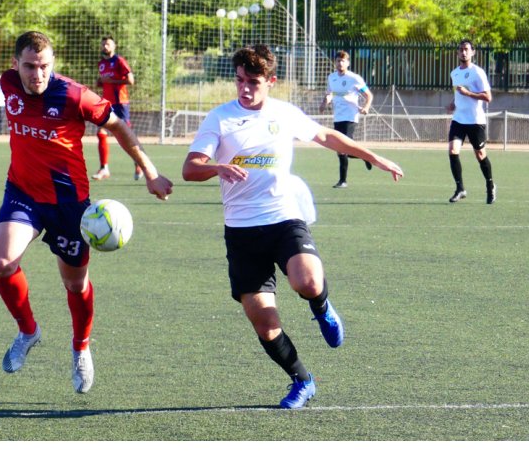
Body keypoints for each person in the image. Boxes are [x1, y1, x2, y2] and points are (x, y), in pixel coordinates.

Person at [182, 45, 403, 409]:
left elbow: (329, 137)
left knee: (308, 281)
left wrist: (373, 156)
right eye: (239, 81)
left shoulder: (284, 114)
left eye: (253, 82)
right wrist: (216, 168)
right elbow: (191, 168)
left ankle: (321, 307)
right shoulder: (219, 119)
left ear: (271, 81)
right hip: (241, 231)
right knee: (265, 324)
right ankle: (302, 380)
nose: (244, 89)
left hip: (283, 217)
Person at [0, 31, 173, 394]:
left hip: (69, 204)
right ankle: (28, 330)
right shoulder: (7, 84)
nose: (37, 74)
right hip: (23, 193)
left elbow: (118, 125)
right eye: (29, 66)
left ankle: (81, 348)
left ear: (53, 64)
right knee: (3, 263)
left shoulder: (76, 95)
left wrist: (151, 173)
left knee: (75, 283)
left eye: (44, 66)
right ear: (16, 65)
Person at [447, 39, 496, 204]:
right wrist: (453, 104)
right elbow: (457, 94)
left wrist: (469, 94)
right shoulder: (454, 73)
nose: (463, 52)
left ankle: (490, 185)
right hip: (459, 119)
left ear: (473, 52)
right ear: (457, 53)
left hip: (475, 121)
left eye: (466, 49)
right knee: (453, 151)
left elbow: (488, 97)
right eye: (461, 49)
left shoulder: (478, 72)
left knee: (480, 155)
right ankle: (460, 188)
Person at [319, 50, 373, 188]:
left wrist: (366, 107)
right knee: (341, 149)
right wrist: (325, 102)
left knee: (343, 148)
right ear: (335, 62)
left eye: (343, 61)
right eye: (338, 60)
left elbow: (368, 95)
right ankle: (364, 156)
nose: (340, 63)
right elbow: (330, 93)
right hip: (338, 116)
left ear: (348, 63)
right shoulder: (331, 77)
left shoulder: (354, 78)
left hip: (350, 116)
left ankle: (343, 181)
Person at [92, 35, 142, 181]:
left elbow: (130, 80)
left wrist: (111, 80)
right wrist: (100, 82)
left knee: (126, 136)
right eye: (103, 44)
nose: (105, 47)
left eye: (108, 44)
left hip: (120, 103)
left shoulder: (119, 61)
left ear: (114, 46)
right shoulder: (101, 63)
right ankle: (104, 168)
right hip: (107, 104)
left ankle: (139, 163)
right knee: (101, 133)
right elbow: (103, 82)